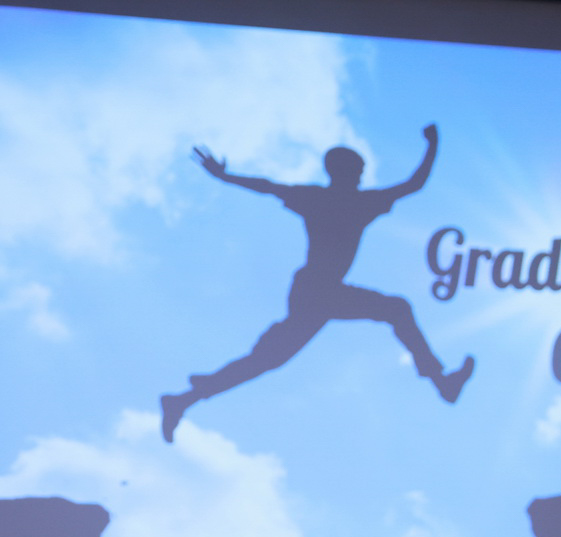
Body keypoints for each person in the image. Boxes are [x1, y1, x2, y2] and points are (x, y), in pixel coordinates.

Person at [158, 124, 473, 442]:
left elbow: (412, 185)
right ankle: (440, 381)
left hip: (319, 291)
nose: (361, 176)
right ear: (343, 171)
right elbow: (268, 186)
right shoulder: (348, 202)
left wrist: (225, 176)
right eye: (358, 170)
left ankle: (182, 400)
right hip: (317, 290)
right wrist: (432, 144)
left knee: (270, 358)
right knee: (394, 309)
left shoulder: (333, 200)